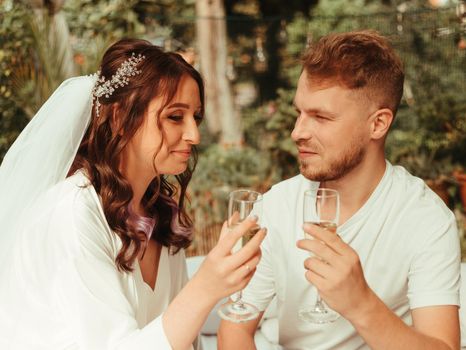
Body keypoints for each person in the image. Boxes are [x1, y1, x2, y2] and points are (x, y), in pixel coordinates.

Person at [0, 38, 266, 350]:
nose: (194, 135)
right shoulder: (72, 215)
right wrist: (206, 287)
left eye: (195, 117)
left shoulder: (163, 214)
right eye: (175, 117)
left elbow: (183, 339)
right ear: (119, 119)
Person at [218, 30, 460, 350]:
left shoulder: (425, 218)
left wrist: (360, 303)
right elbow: (234, 329)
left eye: (321, 117)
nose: (297, 132)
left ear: (378, 124)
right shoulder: (277, 206)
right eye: (299, 113)